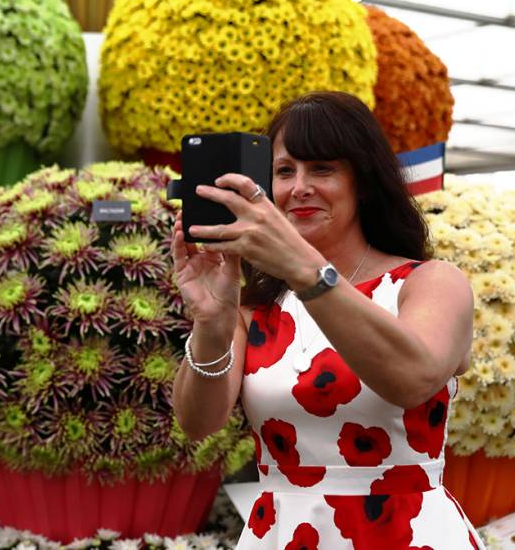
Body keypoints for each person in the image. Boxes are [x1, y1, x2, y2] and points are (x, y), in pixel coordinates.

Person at [171, 91, 484, 549]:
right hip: (283, 534)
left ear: (365, 180)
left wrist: (306, 272)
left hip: (408, 533)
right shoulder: (254, 310)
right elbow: (198, 422)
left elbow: (412, 377)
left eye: (322, 168)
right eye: (284, 171)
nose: (299, 187)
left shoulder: (430, 282)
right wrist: (211, 325)